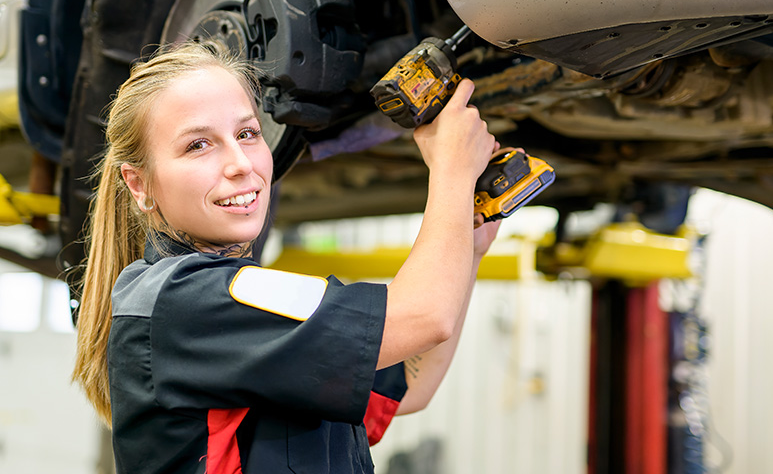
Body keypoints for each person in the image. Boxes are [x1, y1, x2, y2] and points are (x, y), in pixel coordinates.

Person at [72, 41, 500, 473]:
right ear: (140, 184)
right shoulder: (185, 299)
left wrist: (469, 243)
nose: (241, 163)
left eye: (247, 134)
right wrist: (452, 171)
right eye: (199, 145)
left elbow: (407, 386)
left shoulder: (240, 316)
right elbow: (424, 318)